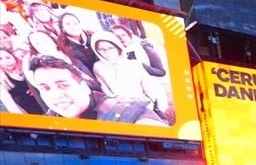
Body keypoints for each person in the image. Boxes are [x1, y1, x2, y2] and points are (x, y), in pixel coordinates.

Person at [26, 54, 166, 125]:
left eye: (63, 85)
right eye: (45, 88)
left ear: (84, 87)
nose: (56, 95)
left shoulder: (127, 112)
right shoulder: (47, 123)